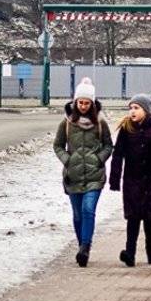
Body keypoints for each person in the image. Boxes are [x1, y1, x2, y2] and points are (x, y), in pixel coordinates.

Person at [53, 77, 112, 268]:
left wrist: (99, 159)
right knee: (78, 215)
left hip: (95, 176)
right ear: (75, 102)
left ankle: (85, 246)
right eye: (81, 103)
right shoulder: (67, 123)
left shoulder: (100, 123)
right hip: (74, 176)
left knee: (88, 210)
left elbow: (108, 145)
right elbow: (58, 145)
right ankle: (81, 245)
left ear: (92, 104)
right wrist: (68, 160)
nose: (84, 106)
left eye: (87, 103)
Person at [108, 93, 151, 267]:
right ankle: (130, 253)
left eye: (136, 108)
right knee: (133, 218)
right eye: (131, 108)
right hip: (132, 182)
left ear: (146, 110)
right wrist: (114, 179)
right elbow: (118, 154)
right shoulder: (126, 130)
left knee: (150, 218)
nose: (132, 111)